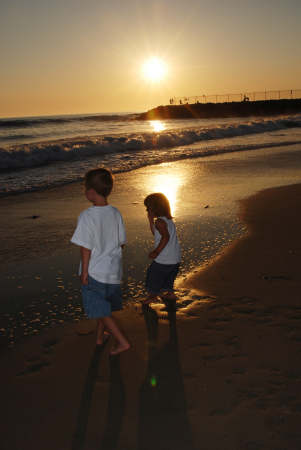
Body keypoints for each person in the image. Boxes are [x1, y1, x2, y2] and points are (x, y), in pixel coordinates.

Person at [71, 167, 130, 354]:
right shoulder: (116, 212)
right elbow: (121, 243)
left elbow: (85, 246)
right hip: (113, 272)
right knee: (102, 306)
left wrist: (85, 271)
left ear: (91, 192)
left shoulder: (87, 216)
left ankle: (122, 342)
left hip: (95, 271)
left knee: (102, 310)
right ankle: (99, 337)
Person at [141, 193, 181, 305]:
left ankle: (152, 296)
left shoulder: (160, 222)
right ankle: (170, 293)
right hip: (175, 258)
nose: (147, 211)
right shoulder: (167, 220)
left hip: (165, 258)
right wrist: (151, 223)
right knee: (169, 276)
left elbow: (165, 237)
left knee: (153, 275)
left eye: (148, 208)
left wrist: (156, 251)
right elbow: (156, 234)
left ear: (154, 209)